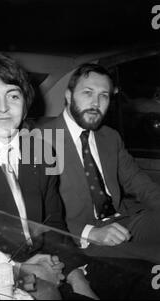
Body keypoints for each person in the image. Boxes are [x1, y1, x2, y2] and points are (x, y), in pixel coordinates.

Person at [0, 52, 98, 299]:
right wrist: (19, 269)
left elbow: (53, 224)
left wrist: (77, 277)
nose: (4, 107)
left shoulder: (41, 152)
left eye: (13, 96)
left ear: (25, 102)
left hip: (47, 264)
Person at [38, 63, 160, 257]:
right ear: (68, 96)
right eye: (88, 93)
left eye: (104, 95)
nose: (96, 103)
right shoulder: (39, 140)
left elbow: (137, 181)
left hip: (124, 220)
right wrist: (90, 233)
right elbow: (39, 213)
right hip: (82, 239)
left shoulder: (109, 136)